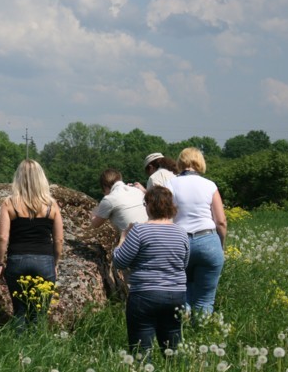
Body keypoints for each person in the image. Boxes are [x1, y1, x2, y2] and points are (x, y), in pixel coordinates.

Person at [113, 186, 190, 354]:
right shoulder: (181, 232)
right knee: (173, 348)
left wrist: (123, 238)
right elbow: (183, 264)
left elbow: (119, 261)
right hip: (176, 294)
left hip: (145, 294)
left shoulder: (139, 231)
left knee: (141, 349)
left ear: (148, 205)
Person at [0, 159, 63, 329]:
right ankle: (38, 350)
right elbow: (59, 239)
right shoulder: (51, 205)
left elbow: (3, 237)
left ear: (18, 178)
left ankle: (19, 350)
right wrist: (55, 262)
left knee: (19, 310)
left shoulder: (9, 204)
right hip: (44, 260)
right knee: (39, 313)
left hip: (17, 260)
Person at [166, 147, 227, 316]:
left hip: (180, 242)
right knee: (205, 299)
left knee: (181, 295)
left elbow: (165, 217)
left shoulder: (170, 184)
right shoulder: (210, 185)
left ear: (180, 163)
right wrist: (220, 246)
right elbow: (221, 221)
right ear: (200, 163)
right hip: (208, 241)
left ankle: (182, 335)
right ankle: (202, 334)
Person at [90, 168, 148, 233]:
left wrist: (93, 212)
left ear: (105, 186)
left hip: (134, 240)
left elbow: (95, 224)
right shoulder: (137, 190)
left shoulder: (109, 199)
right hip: (152, 233)